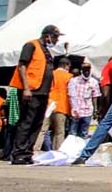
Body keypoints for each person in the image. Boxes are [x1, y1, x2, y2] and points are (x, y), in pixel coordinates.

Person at [9, 24, 63, 164]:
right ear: (47, 36)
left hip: (43, 92)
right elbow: (22, 66)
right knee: (26, 122)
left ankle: (27, 153)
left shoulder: (46, 51)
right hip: (31, 91)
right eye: (55, 37)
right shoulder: (31, 45)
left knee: (37, 123)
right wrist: (26, 88)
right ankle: (18, 153)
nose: (57, 40)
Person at [43, 57, 72, 152]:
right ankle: (58, 151)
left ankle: (35, 150)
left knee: (42, 130)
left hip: (48, 105)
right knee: (59, 132)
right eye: (69, 67)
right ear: (66, 65)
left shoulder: (50, 74)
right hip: (61, 106)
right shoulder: (69, 77)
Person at [68, 60, 101, 138]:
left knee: (84, 133)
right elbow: (71, 96)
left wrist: (95, 110)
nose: (87, 72)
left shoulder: (94, 82)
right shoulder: (74, 81)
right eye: (85, 70)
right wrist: (74, 108)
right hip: (76, 111)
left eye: (88, 70)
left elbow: (95, 96)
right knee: (72, 134)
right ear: (81, 71)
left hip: (88, 111)